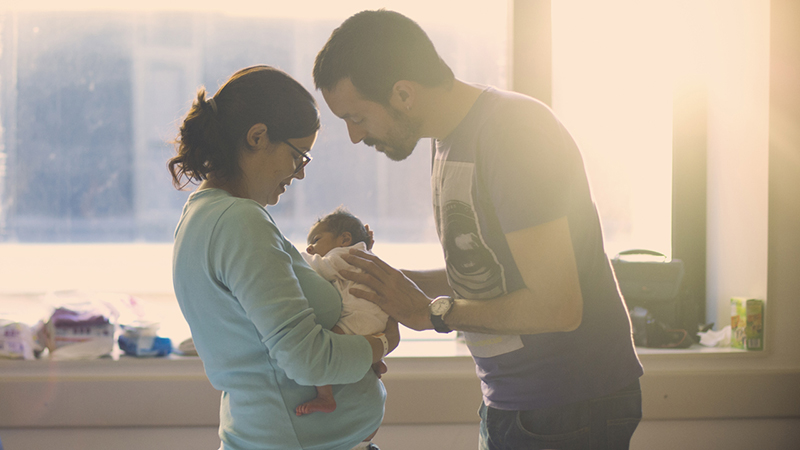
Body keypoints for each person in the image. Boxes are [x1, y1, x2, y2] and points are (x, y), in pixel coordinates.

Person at [313, 10, 644, 450]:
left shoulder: (511, 132)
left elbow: (558, 306)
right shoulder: (449, 140)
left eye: (357, 117)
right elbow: (491, 273)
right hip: (518, 403)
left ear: (403, 94)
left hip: (567, 406)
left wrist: (430, 313)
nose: (355, 136)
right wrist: (387, 289)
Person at [169, 65, 398, 450]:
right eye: (298, 156)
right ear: (258, 137)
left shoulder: (202, 216)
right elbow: (308, 360)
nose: (299, 174)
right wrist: (381, 342)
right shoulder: (239, 222)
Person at [296, 207, 390, 417]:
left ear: (345, 239)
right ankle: (376, 361)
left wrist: (293, 256)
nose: (310, 248)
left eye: (316, 240)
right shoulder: (363, 255)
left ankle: (325, 395)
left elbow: (317, 267)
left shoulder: (344, 255)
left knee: (323, 349)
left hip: (359, 319)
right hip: (375, 319)